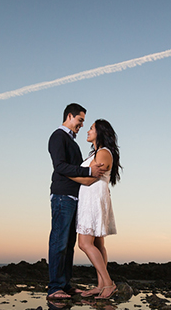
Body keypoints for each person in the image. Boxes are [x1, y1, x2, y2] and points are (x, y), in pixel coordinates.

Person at [46, 103, 106, 299]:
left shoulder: (72, 142)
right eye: (80, 121)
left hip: (74, 198)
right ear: (69, 116)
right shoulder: (58, 136)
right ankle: (55, 288)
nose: (81, 125)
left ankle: (65, 285)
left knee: (69, 243)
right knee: (59, 241)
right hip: (62, 196)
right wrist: (89, 171)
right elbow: (60, 167)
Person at [70, 119, 122, 299]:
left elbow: (90, 179)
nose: (88, 130)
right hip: (93, 198)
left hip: (93, 199)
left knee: (84, 243)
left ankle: (108, 283)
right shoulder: (97, 153)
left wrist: (67, 174)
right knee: (98, 244)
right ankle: (101, 285)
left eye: (91, 128)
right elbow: (89, 176)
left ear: (100, 132)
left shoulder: (103, 153)